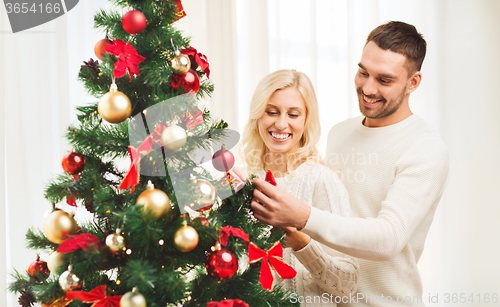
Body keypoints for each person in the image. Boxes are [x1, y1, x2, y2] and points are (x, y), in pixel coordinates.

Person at [250, 21, 449, 307]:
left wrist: (301, 217)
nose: (368, 88)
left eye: (384, 80)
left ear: (413, 83)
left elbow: (388, 238)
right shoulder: (340, 133)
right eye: (363, 72)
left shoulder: (425, 148)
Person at [239, 69, 359, 306]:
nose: (281, 123)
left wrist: (302, 244)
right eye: (271, 112)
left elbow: (348, 285)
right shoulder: (245, 182)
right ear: (257, 116)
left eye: (293, 114)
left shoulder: (322, 181)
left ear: (306, 120)